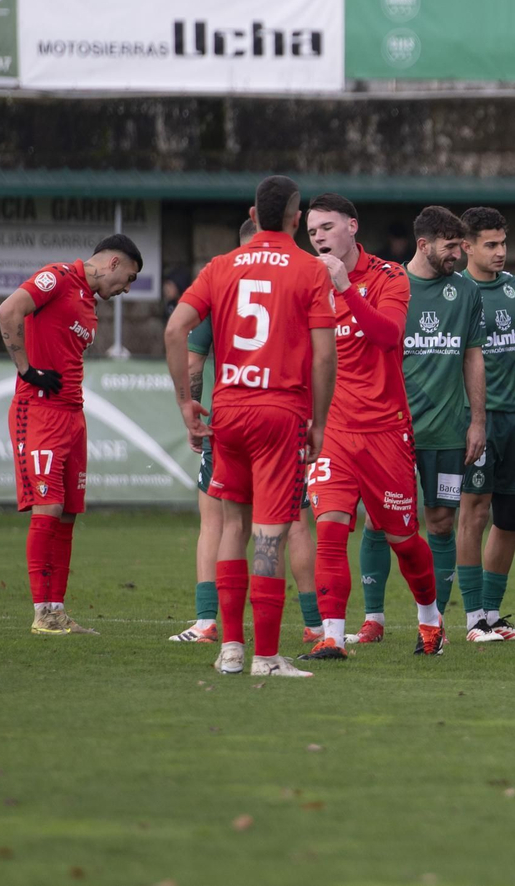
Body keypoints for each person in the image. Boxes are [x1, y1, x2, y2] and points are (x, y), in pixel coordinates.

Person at [164, 175, 336, 679]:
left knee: (231, 527)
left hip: (229, 411)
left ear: (253, 213)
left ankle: (231, 649)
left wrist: (184, 405)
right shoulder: (309, 269)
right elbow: (324, 356)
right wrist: (320, 422)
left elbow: (176, 328)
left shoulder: (221, 266)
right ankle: (265, 656)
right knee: (270, 535)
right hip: (279, 413)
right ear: (295, 217)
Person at [300, 194, 443, 661]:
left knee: (404, 541)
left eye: (326, 227)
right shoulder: (305, 282)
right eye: (312, 230)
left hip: (385, 430)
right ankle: (333, 638)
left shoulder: (390, 276)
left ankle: (429, 618)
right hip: (334, 431)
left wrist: (345, 288)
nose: (318, 236)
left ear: (353, 226)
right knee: (332, 530)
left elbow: (388, 337)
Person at [351, 206, 486, 646]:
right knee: (377, 519)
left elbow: (472, 355)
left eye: (461, 246)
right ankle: (373, 619)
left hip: (447, 429)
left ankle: (434, 624)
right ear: (424, 245)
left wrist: (477, 421)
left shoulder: (465, 292)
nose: (458, 255)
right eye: (450, 247)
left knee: (442, 521)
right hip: (388, 427)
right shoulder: (390, 285)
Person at [0, 234, 142, 635]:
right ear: (113, 263)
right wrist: (26, 369)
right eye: (128, 278)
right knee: (47, 509)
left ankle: (56, 611)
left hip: (72, 417)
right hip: (39, 411)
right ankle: (42, 614)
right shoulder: (56, 278)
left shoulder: (87, 302)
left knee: (67, 514)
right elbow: (8, 311)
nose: (126, 289)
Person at [457, 206, 515, 644]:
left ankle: (492, 615)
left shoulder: (514, 288)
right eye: (490, 245)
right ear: (466, 247)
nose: (500, 252)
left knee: (511, 516)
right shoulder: (456, 291)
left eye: (503, 243)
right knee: (474, 512)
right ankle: (472, 618)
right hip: (478, 418)